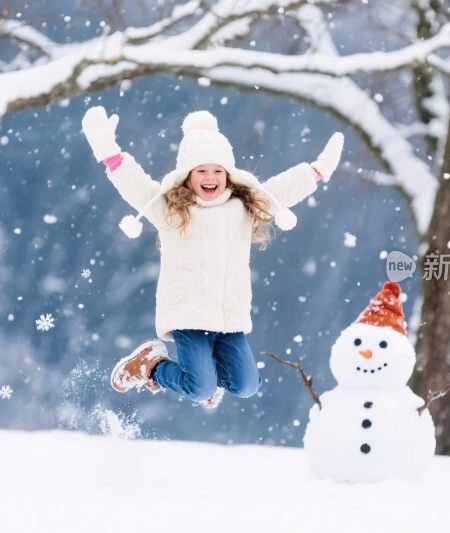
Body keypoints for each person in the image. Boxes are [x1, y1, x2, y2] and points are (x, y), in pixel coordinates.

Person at [81, 106, 344, 408]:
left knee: (246, 385)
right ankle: (150, 365)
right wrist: (110, 155)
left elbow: (280, 192)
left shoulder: (243, 208)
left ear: (228, 176)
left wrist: (317, 171)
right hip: (188, 313)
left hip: (228, 315)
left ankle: (208, 376)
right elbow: (138, 189)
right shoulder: (171, 209)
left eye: (217, 171)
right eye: (201, 171)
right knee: (198, 389)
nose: (210, 177)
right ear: (188, 176)